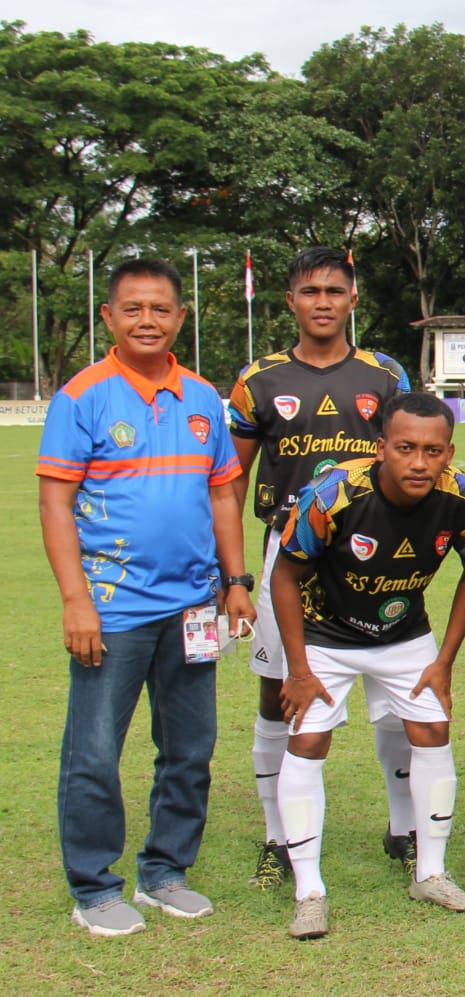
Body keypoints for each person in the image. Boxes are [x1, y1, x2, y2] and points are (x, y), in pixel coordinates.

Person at [39, 258, 256, 936]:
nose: (147, 320)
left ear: (180, 318)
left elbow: (223, 495)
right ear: (109, 316)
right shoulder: (83, 395)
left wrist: (235, 582)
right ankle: (93, 887)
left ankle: (165, 871)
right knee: (95, 751)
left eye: (160, 309)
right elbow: (55, 501)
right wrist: (76, 600)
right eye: (132, 308)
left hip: (194, 606)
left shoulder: (202, 397)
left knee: (189, 747)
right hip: (114, 608)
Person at [271, 392, 465, 939]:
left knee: (433, 731)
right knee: (307, 740)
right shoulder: (332, 494)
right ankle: (309, 892)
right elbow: (284, 576)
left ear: (449, 453)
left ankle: (431, 873)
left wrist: (444, 660)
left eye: (432, 451)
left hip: (403, 634)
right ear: (381, 448)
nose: (419, 462)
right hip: (324, 634)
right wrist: (298, 670)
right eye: (405, 448)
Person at [226, 246, 414, 890]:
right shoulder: (260, 379)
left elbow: (412, 458)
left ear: (352, 299)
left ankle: (405, 830)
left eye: (335, 291)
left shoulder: (385, 375)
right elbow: (229, 482)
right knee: (279, 694)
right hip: (290, 555)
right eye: (311, 292)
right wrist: (233, 574)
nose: (323, 302)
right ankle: (278, 838)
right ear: (291, 301)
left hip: (375, 556)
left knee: (397, 699)